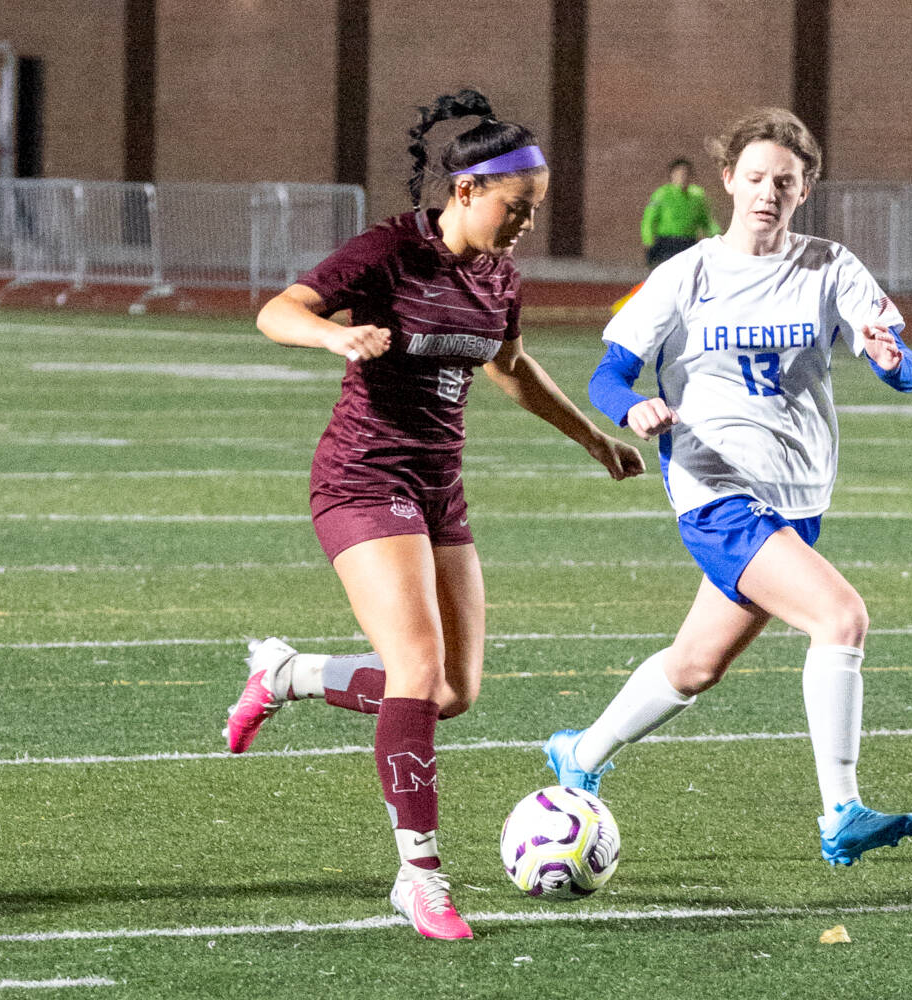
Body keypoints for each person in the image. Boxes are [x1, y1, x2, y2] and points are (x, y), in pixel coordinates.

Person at [224, 88, 645, 940]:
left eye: (534, 210)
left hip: (437, 488)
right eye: (515, 208)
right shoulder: (389, 250)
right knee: (415, 666)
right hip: (360, 476)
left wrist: (592, 440)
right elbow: (279, 310)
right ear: (464, 192)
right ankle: (418, 877)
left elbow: (512, 367)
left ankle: (289, 674)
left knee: (452, 691)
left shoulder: (497, 273)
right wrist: (334, 336)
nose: (525, 224)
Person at [544, 108, 912, 869]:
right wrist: (634, 407)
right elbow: (608, 372)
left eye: (784, 181)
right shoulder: (686, 273)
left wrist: (887, 357)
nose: (767, 193)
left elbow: (905, 368)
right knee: (841, 619)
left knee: (695, 666)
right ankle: (840, 809)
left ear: (805, 188)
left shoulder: (831, 266)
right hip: (715, 493)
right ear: (728, 181)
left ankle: (580, 754)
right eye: (754, 178)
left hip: (798, 499)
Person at [641, 158, 720, 268]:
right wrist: (648, 240)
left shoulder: (698, 195)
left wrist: (716, 236)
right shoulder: (662, 194)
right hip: (666, 242)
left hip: (688, 242)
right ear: (672, 175)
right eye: (678, 173)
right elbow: (649, 220)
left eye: (686, 173)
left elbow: (706, 220)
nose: (682, 177)